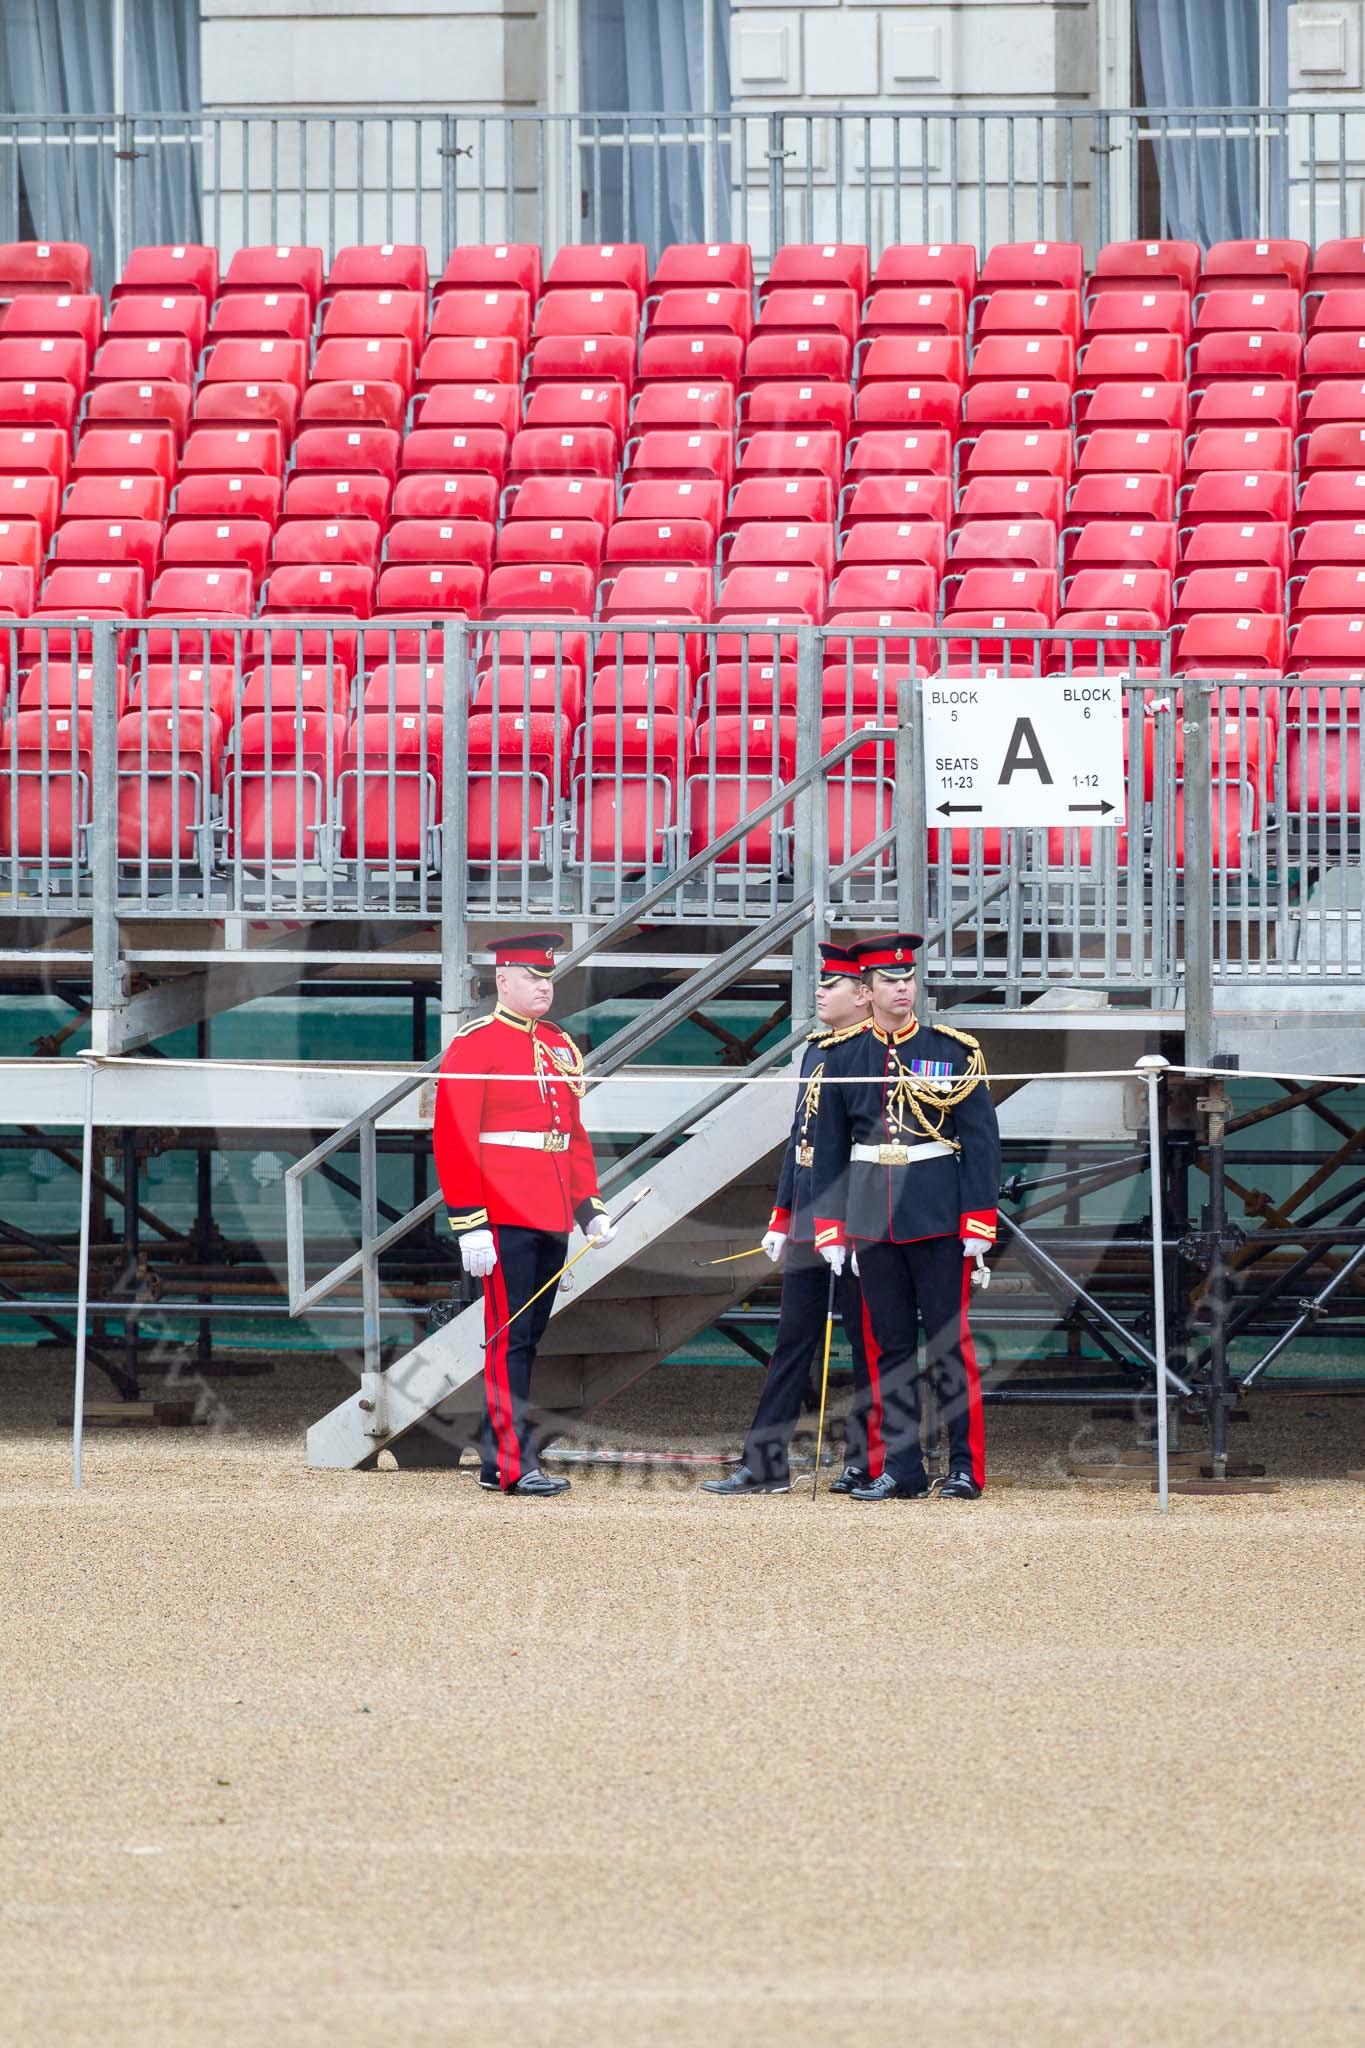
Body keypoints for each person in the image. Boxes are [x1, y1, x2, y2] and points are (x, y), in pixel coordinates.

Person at [811, 934, 1000, 1501]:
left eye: (907, 978)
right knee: (887, 1348)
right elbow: (828, 1150)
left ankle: (966, 1467)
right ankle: (902, 1467)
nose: (901, 987)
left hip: (938, 1215)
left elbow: (981, 1142)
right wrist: (831, 1226)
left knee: (949, 1345)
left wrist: (978, 1221)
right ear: (865, 993)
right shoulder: (841, 1056)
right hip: (871, 1218)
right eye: (888, 981)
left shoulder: (953, 1050)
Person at [702, 941, 885, 1497]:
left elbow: (870, 1151)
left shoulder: (875, 1053)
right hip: (810, 1213)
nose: (821, 993)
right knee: (792, 1339)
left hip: (856, 1220)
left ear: (862, 996)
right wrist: (782, 1213)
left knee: (869, 1339)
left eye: (833, 986)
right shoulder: (819, 1049)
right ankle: (766, 1460)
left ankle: (868, 1458)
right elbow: (802, 1140)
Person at [433, 932, 613, 1497]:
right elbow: (454, 1138)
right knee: (508, 1338)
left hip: (550, 1206)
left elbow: (570, 1136)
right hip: (503, 1210)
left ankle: (496, 1457)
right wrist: (470, 1220)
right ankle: (514, 1463)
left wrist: (590, 1209)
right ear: (503, 981)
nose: (544, 986)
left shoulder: (557, 1043)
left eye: (548, 977)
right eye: (533, 977)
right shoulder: (477, 1043)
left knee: (528, 1336)